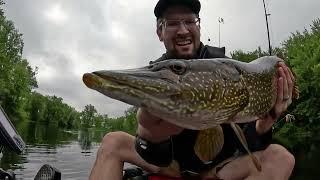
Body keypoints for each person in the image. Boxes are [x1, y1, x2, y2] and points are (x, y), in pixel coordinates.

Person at [89, 0, 295, 179]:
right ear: (159, 32)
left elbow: (244, 143)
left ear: (198, 26)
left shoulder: (226, 71)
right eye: (172, 23)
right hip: (171, 167)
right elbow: (155, 157)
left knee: (281, 158)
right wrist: (151, 137)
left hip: (219, 170)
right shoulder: (159, 74)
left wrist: (262, 128)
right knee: (112, 141)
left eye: (189, 21)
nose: (183, 30)